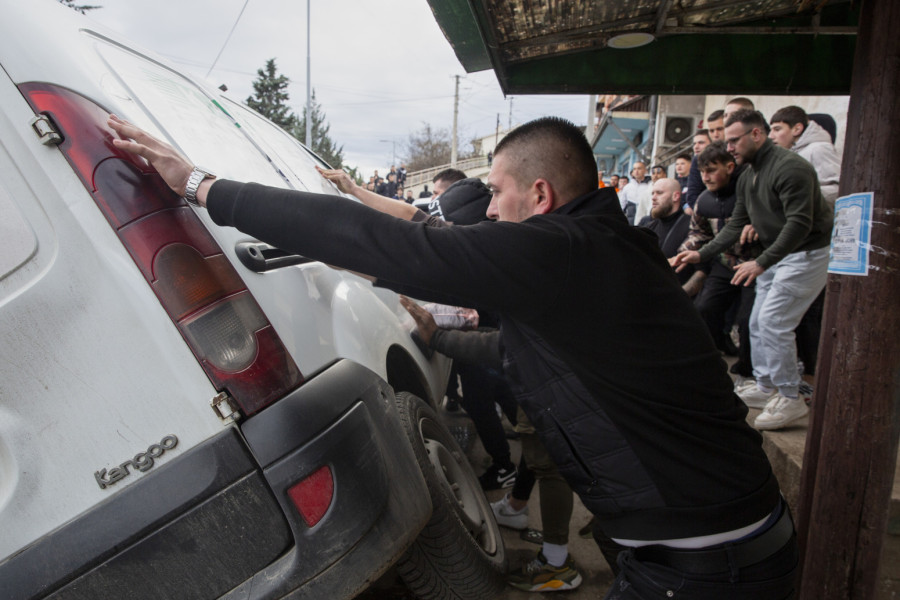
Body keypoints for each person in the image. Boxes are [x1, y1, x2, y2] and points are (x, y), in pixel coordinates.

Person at [109, 113, 798, 599]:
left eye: (495, 192)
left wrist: (202, 186)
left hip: (707, 567)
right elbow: (470, 283)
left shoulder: (565, 253)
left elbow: (412, 247)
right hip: (705, 547)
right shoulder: (595, 251)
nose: (488, 210)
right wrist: (433, 328)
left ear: (540, 195)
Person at [399, 299, 586, 592]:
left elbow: (504, 346)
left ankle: (556, 564)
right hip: (552, 369)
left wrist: (438, 337)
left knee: (550, 467)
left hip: (545, 372)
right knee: (543, 453)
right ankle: (518, 506)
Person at [673, 109, 833, 432]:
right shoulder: (748, 176)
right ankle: (766, 384)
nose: (729, 146)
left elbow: (799, 224)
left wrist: (760, 262)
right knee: (757, 322)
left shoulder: (791, 167)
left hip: (806, 252)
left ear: (757, 134)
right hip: (776, 256)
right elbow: (735, 225)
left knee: (774, 320)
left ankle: (790, 396)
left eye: (734, 140)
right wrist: (701, 253)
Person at [677, 142, 760, 369]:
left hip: (755, 266)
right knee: (704, 309)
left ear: (730, 167)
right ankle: (712, 354)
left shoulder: (749, 192)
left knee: (748, 320)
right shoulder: (704, 200)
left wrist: (757, 226)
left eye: (712, 170)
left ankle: (747, 368)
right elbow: (699, 233)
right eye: (702, 172)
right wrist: (685, 251)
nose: (706, 177)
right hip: (724, 264)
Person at [769, 105, 841, 205]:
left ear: (797, 129)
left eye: (777, 129)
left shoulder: (819, 149)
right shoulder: (788, 153)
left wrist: (800, 195)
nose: (770, 136)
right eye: (771, 130)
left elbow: (838, 189)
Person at [637, 178, 694, 285]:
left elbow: (701, 271)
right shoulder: (649, 227)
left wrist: (684, 293)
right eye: (653, 193)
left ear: (675, 196)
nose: (653, 198)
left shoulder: (692, 227)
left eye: (659, 193)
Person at [683, 128, 712, 213]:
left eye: (701, 143)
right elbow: (692, 193)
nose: (696, 147)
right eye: (694, 143)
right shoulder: (696, 160)